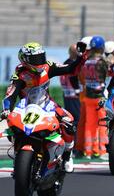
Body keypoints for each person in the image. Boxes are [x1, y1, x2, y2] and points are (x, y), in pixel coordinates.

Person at [1, 41, 88, 172]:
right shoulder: (19, 75)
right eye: (36, 58)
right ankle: (18, 156)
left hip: (47, 104)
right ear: (25, 60)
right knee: (13, 126)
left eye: (41, 57)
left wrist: (81, 57)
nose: (40, 61)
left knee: (69, 121)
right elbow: (10, 95)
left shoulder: (48, 67)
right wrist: (6, 110)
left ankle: (67, 155)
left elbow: (71, 69)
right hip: (25, 106)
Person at [80, 36, 109, 159]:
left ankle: (88, 151)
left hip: (88, 96)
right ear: (102, 48)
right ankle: (102, 150)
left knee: (89, 124)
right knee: (102, 124)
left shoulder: (86, 61)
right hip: (99, 97)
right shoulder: (102, 62)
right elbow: (106, 75)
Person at [59, 44, 81, 154]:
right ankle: (75, 147)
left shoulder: (66, 62)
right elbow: (73, 77)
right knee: (76, 121)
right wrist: (78, 89)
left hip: (67, 95)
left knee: (71, 120)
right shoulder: (71, 64)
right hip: (73, 96)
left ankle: (73, 146)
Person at [74, 36, 93, 157]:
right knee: (91, 123)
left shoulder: (81, 60)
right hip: (92, 95)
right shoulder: (90, 61)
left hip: (84, 95)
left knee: (82, 122)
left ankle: (80, 149)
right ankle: (89, 149)